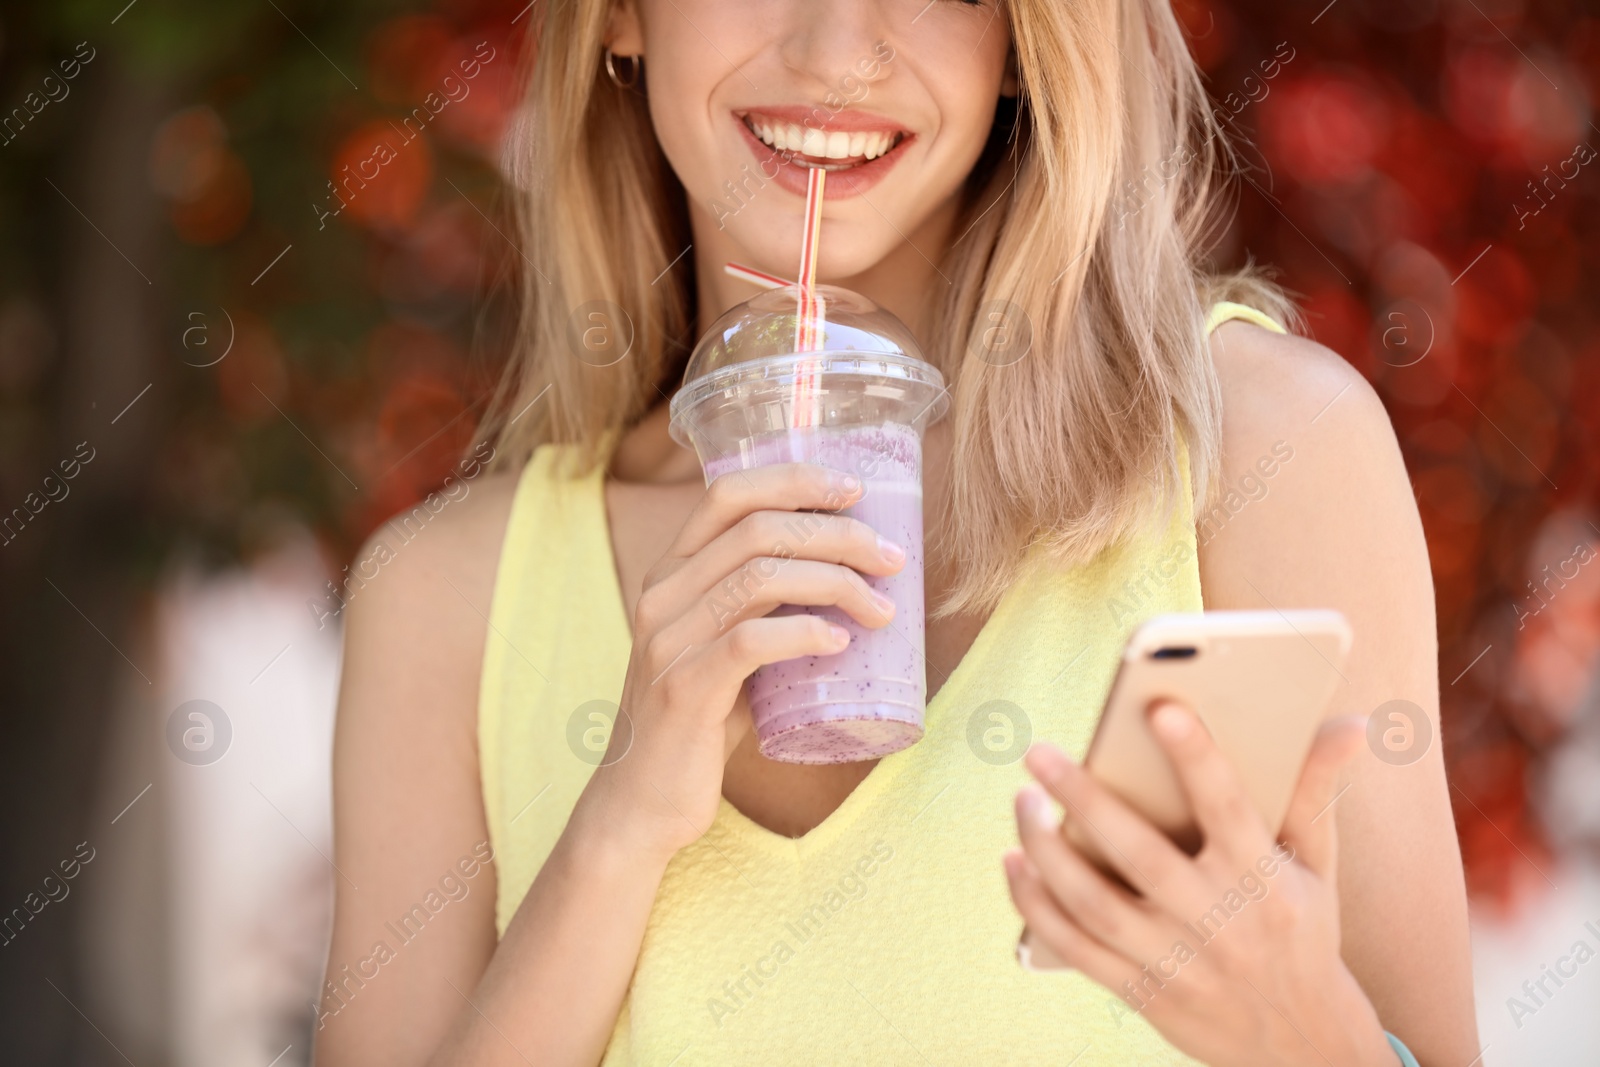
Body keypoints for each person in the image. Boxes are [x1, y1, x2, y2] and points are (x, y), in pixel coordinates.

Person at [317, 1, 1478, 1064]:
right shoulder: (446, 599)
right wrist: (614, 832)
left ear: (1026, 40)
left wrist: (1310, 1035)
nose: (836, 54)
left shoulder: (1256, 457)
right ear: (621, 14)